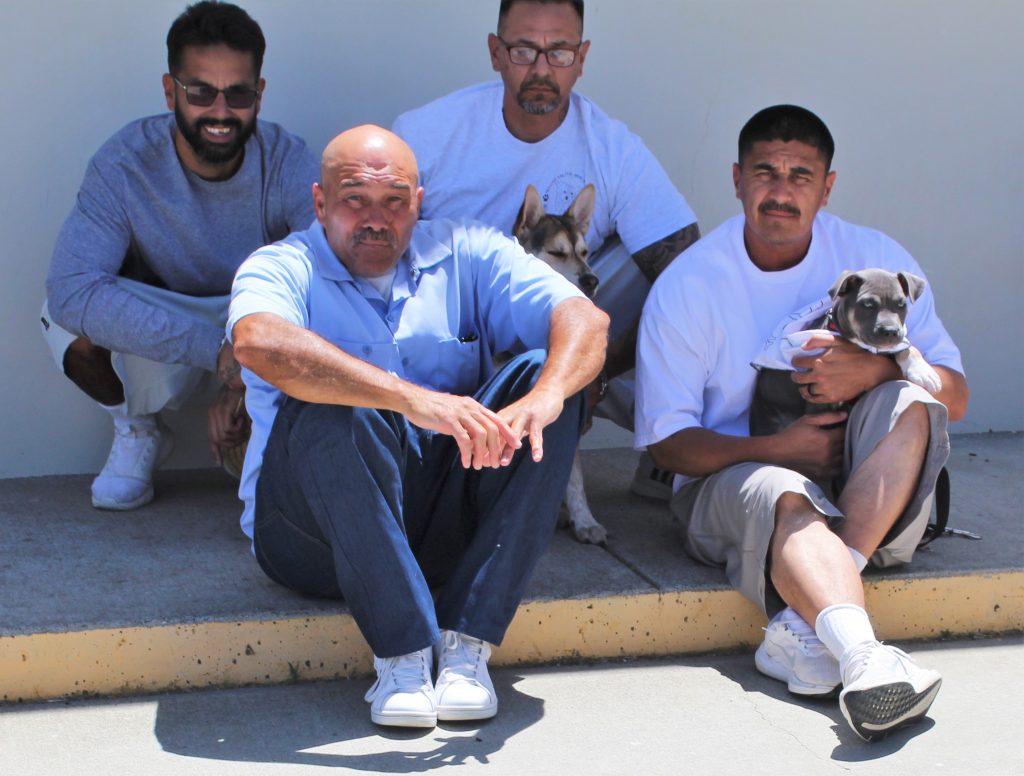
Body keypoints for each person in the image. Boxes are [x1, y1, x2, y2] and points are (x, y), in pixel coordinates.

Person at [228, 125, 608, 728]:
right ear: (321, 202)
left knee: (542, 377)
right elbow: (257, 340)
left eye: (395, 201)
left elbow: (584, 319)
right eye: (355, 199)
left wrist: (552, 395)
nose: (376, 219)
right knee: (330, 398)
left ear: (418, 204)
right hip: (311, 536)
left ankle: (466, 646)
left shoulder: (467, 250)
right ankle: (402, 655)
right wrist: (412, 400)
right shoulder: (281, 265)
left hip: (435, 524)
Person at [635, 105, 968, 741]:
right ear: (736, 180)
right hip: (732, 483)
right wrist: (777, 447)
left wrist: (874, 374)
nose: (781, 190)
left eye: (800, 175)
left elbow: (953, 397)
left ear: (827, 186)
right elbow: (667, 445)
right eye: (765, 172)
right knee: (784, 488)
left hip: (860, 484)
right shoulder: (690, 285)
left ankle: (801, 625)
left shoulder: (876, 260)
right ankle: (864, 659)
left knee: (913, 399)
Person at [392, 0, 699, 498]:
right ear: (495, 53)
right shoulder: (426, 133)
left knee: (681, 288)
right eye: (523, 49)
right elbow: (381, 246)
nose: (540, 69)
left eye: (558, 51)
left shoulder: (611, 147)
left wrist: (592, 368)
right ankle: (418, 456)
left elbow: (688, 274)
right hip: (455, 316)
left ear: (582, 57)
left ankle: (675, 452)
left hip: (563, 313)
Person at [42, 1, 318, 510]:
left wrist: (248, 372)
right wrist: (217, 351)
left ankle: (259, 422)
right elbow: (71, 287)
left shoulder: (288, 160)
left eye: (236, 93)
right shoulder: (125, 161)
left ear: (258, 94)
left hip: (255, 316)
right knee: (65, 325)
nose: (219, 110)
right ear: (171, 91)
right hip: (174, 320)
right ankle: (137, 428)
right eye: (200, 92)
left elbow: (330, 276)